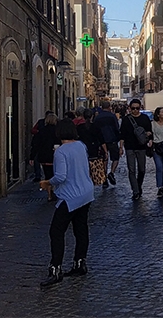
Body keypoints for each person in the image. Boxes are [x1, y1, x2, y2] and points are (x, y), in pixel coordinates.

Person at [38, 119, 95, 287]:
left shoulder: (61, 152)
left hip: (71, 196)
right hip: (86, 193)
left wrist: (47, 182)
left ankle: (55, 269)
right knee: (81, 228)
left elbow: (61, 176)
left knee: (56, 231)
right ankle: (80, 262)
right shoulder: (81, 145)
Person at [119, 98, 153, 200]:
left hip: (141, 147)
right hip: (129, 147)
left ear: (140, 108)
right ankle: (136, 191)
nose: (135, 110)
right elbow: (122, 135)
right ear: (129, 108)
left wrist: (149, 138)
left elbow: (150, 131)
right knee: (132, 170)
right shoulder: (125, 120)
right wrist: (121, 147)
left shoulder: (145, 118)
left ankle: (138, 185)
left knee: (142, 169)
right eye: (133, 108)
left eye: (137, 108)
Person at [30, 113, 61, 200]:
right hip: (55, 156)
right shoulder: (57, 131)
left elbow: (35, 145)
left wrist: (32, 157)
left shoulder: (41, 131)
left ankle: (49, 195)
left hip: (44, 156)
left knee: (47, 175)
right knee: (56, 175)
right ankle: (55, 190)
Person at [93, 100, 121, 187]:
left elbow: (95, 129)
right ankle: (111, 172)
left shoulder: (97, 117)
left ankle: (104, 178)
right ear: (109, 107)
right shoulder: (112, 116)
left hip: (101, 141)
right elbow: (117, 128)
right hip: (112, 139)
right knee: (115, 158)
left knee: (104, 159)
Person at [77, 108, 105, 188]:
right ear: (92, 116)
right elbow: (101, 140)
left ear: (83, 117)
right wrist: (105, 151)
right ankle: (91, 183)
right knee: (93, 169)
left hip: (82, 150)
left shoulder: (79, 127)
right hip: (93, 150)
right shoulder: (96, 127)